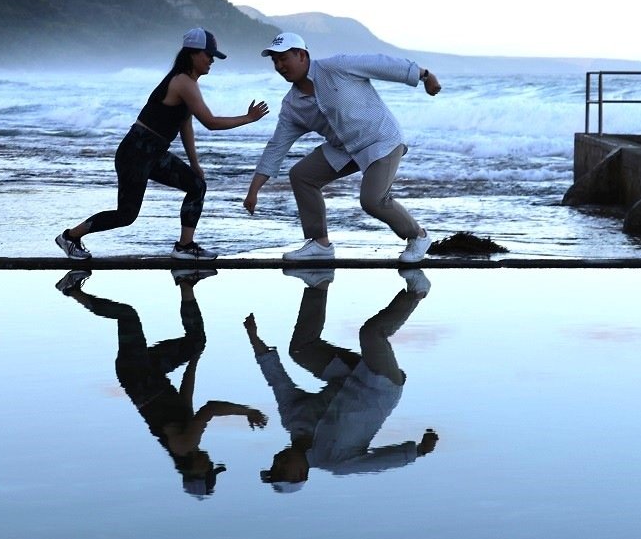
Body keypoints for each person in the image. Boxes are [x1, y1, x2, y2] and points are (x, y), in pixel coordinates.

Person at [57, 28, 270, 261]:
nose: (211, 60)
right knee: (126, 215)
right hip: (136, 152)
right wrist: (248, 118)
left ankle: (184, 247)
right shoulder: (182, 82)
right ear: (192, 54)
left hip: (153, 153)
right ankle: (70, 237)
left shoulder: (186, 83)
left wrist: (194, 164)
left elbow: (185, 123)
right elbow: (210, 122)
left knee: (196, 185)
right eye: (208, 54)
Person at [57, 268, 268, 497]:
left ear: (195, 471)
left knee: (127, 316)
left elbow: (210, 409)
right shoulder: (182, 444)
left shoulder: (185, 446)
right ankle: (185, 283)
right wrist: (194, 360)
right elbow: (185, 398)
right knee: (196, 342)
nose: (210, 463)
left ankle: (71, 290)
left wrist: (246, 411)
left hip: (138, 374)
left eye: (208, 470)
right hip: (150, 373)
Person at [242, 31, 442, 263]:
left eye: (283, 58)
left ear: (302, 55)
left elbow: (382, 65)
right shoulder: (292, 106)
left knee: (372, 200)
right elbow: (276, 147)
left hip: (381, 140)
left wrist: (425, 75)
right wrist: (254, 190)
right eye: (274, 61)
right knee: (301, 175)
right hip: (345, 149)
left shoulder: (337, 67)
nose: (279, 65)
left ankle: (418, 236)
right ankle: (320, 243)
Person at [247, 268, 438, 493]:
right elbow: (378, 463)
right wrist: (418, 451)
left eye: (273, 466)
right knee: (370, 333)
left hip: (346, 374)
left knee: (301, 350)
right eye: (281, 470)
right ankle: (417, 291)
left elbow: (277, 381)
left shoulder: (292, 420)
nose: (277, 462)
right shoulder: (336, 462)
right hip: (380, 386)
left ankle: (318, 281)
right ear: (301, 473)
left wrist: (254, 338)